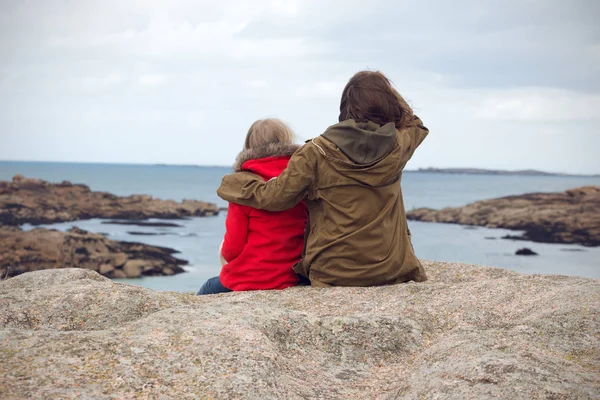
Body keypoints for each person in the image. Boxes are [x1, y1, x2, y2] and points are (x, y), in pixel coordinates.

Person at [217, 71, 429, 287]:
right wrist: (386, 92)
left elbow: (275, 198)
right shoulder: (398, 146)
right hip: (390, 269)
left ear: (345, 107)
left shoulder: (316, 152)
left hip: (333, 273)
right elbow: (414, 122)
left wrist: (236, 183)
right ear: (387, 104)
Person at [196, 119, 308, 295]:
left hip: (249, 279)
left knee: (207, 289)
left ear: (248, 147)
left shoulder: (242, 187)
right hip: (293, 277)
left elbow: (231, 250)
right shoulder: (301, 181)